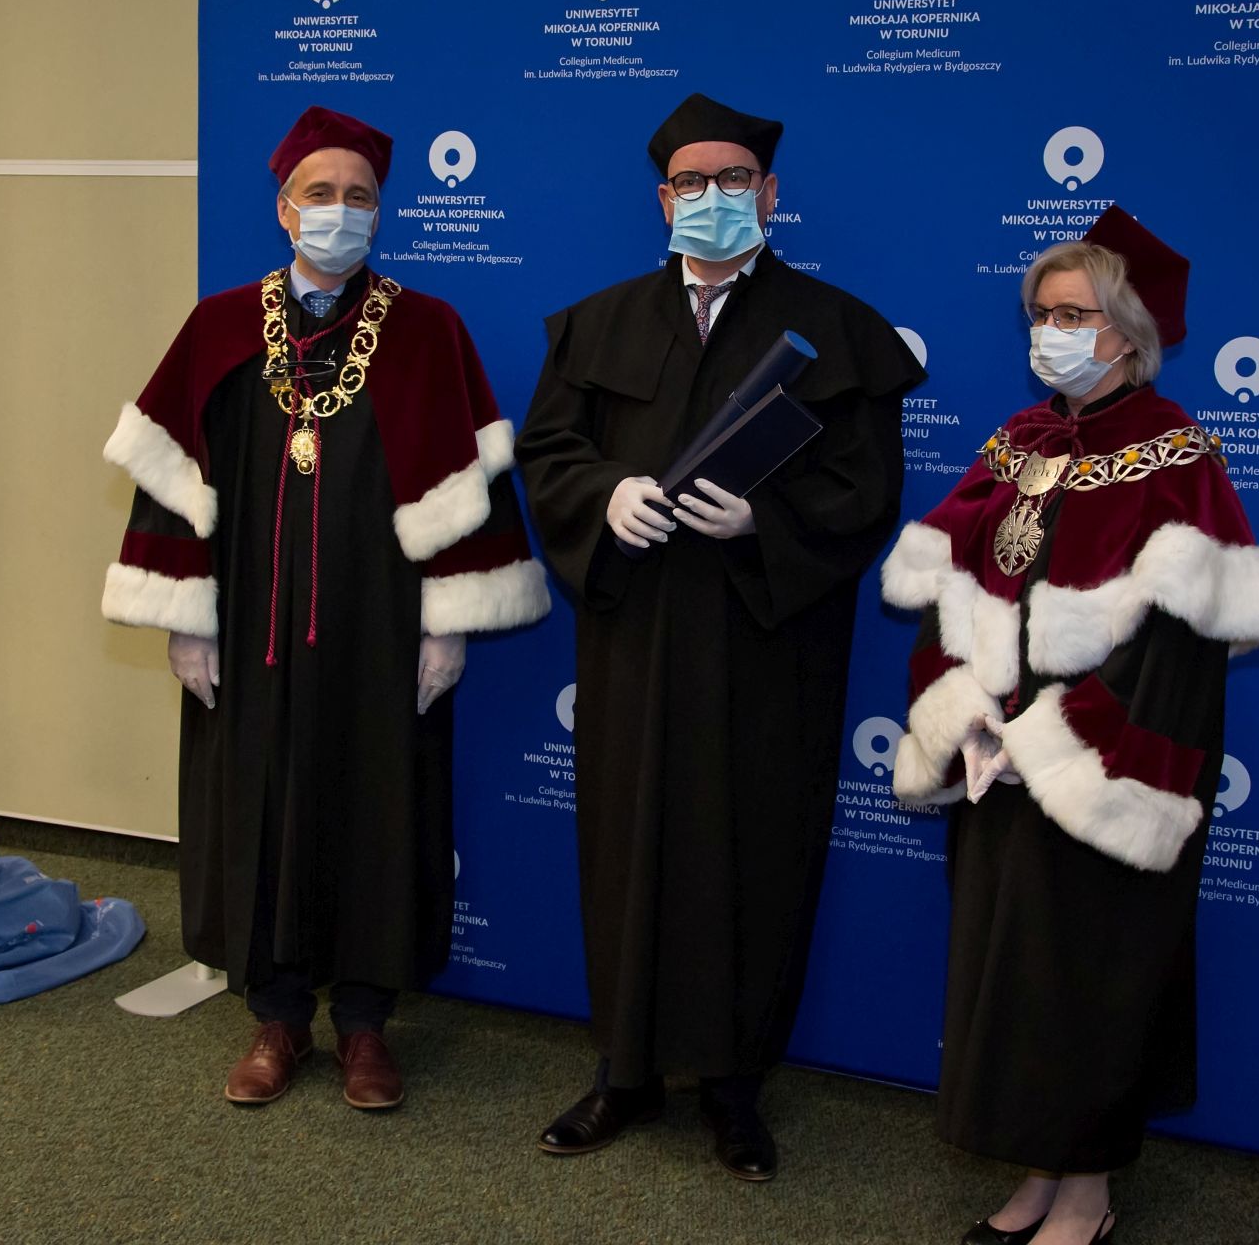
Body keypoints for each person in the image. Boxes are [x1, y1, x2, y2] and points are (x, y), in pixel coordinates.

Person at [100, 105, 549, 1112]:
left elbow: (467, 492)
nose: (338, 211)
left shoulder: (429, 331)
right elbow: (173, 481)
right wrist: (184, 617)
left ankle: (365, 1023)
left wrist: (447, 623)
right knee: (257, 800)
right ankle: (276, 1014)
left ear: (379, 212)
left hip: (379, 628)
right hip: (251, 626)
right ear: (283, 208)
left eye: (358, 197)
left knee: (377, 803)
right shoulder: (220, 326)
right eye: (320, 193)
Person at [515, 92, 924, 1181]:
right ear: (663, 200)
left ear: (770, 194)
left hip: (764, 644)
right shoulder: (596, 324)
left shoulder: (838, 329)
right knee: (627, 842)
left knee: (756, 849)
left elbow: (868, 487)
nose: (712, 197)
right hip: (636, 638)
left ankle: (737, 1087)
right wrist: (603, 494)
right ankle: (625, 1070)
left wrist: (764, 524)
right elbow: (549, 452)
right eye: (691, 182)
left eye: (733, 179)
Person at [881, 207, 1259, 1244]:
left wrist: (1054, 740)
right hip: (996, 762)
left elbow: (1177, 652)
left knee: (1088, 976)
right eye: (1041, 313)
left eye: (1075, 314)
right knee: (1011, 971)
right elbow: (948, 582)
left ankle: (1088, 1196)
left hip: (1098, 771)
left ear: (1129, 330)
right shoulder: (1018, 442)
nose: (1051, 331)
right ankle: (1038, 1172)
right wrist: (968, 715)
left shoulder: (1175, 456)